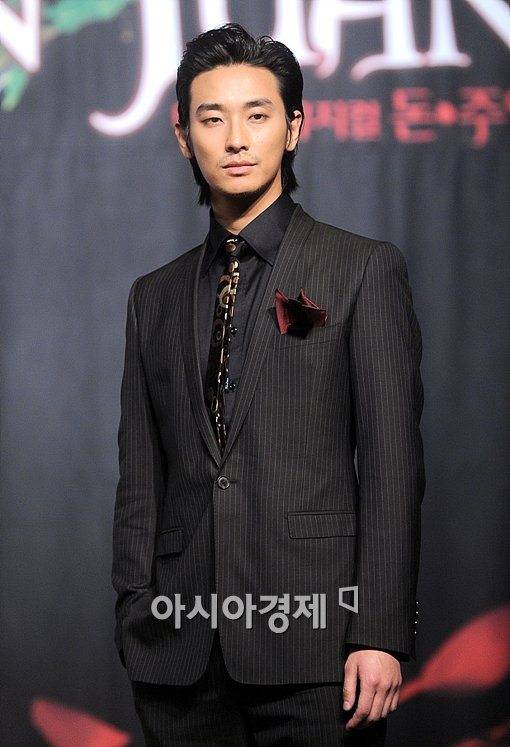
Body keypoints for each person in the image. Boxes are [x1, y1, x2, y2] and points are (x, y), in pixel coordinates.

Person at [112, 23, 425, 746]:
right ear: (183, 136)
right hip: (180, 656)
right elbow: (141, 474)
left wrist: (379, 633)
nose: (235, 139)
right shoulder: (153, 296)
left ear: (294, 127)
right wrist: (134, 608)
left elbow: (391, 465)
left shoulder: (361, 269)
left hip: (321, 653)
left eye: (257, 114)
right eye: (212, 119)